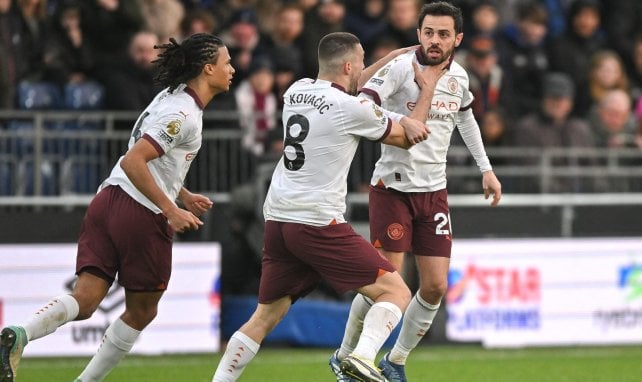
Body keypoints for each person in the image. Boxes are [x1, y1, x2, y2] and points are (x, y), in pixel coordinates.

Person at [212, 31, 447, 382]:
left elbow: (349, 85)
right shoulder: (351, 110)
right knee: (395, 291)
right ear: (350, 65)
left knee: (263, 317)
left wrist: (392, 57)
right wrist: (427, 88)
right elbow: (409, 136)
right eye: (363, 60)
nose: (366, 66)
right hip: (316, 221)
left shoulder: (296, 90)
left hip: (278, 218)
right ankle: (362, 357)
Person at [0, 33, 234, 382]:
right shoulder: (184, 113)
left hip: (107, 200)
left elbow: (153, 159)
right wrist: (170, 208)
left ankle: (19, 334)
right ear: (208, 67)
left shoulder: (171, 98)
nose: (233, 69)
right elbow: (134, 161)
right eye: (227, 62)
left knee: (86, 298)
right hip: (139, 214)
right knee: (142, 312)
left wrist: (181, 193)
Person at [330, 3, 502, 382]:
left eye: (443, 34)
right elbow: (361, 105)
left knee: (436, 285)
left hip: (434, 193)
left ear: (457, 38)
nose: (434, 41)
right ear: (419, 33)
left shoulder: (459, 76)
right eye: (428, 32)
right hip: (392, 188)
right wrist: (398, 120)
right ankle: (347, 356)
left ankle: (396, 360)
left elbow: (466, 119)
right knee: (386, 280)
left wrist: (486, 170)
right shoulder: (399, 69)